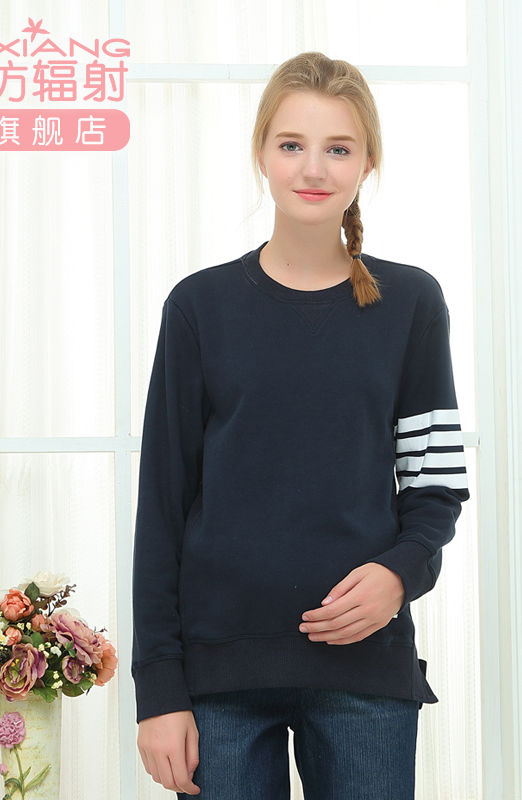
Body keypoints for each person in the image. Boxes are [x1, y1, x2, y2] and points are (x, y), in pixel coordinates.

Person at [131, 51, 470, 800]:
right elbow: (162, 509)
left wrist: (399, 574)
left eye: (338, 148)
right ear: (261, 152)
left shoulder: (412, 304)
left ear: (367, 161)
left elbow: (436, 484)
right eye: (292, 144)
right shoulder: (198, 308)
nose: (313, 168)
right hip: (218, 680)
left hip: (364, 673)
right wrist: (158, 688)